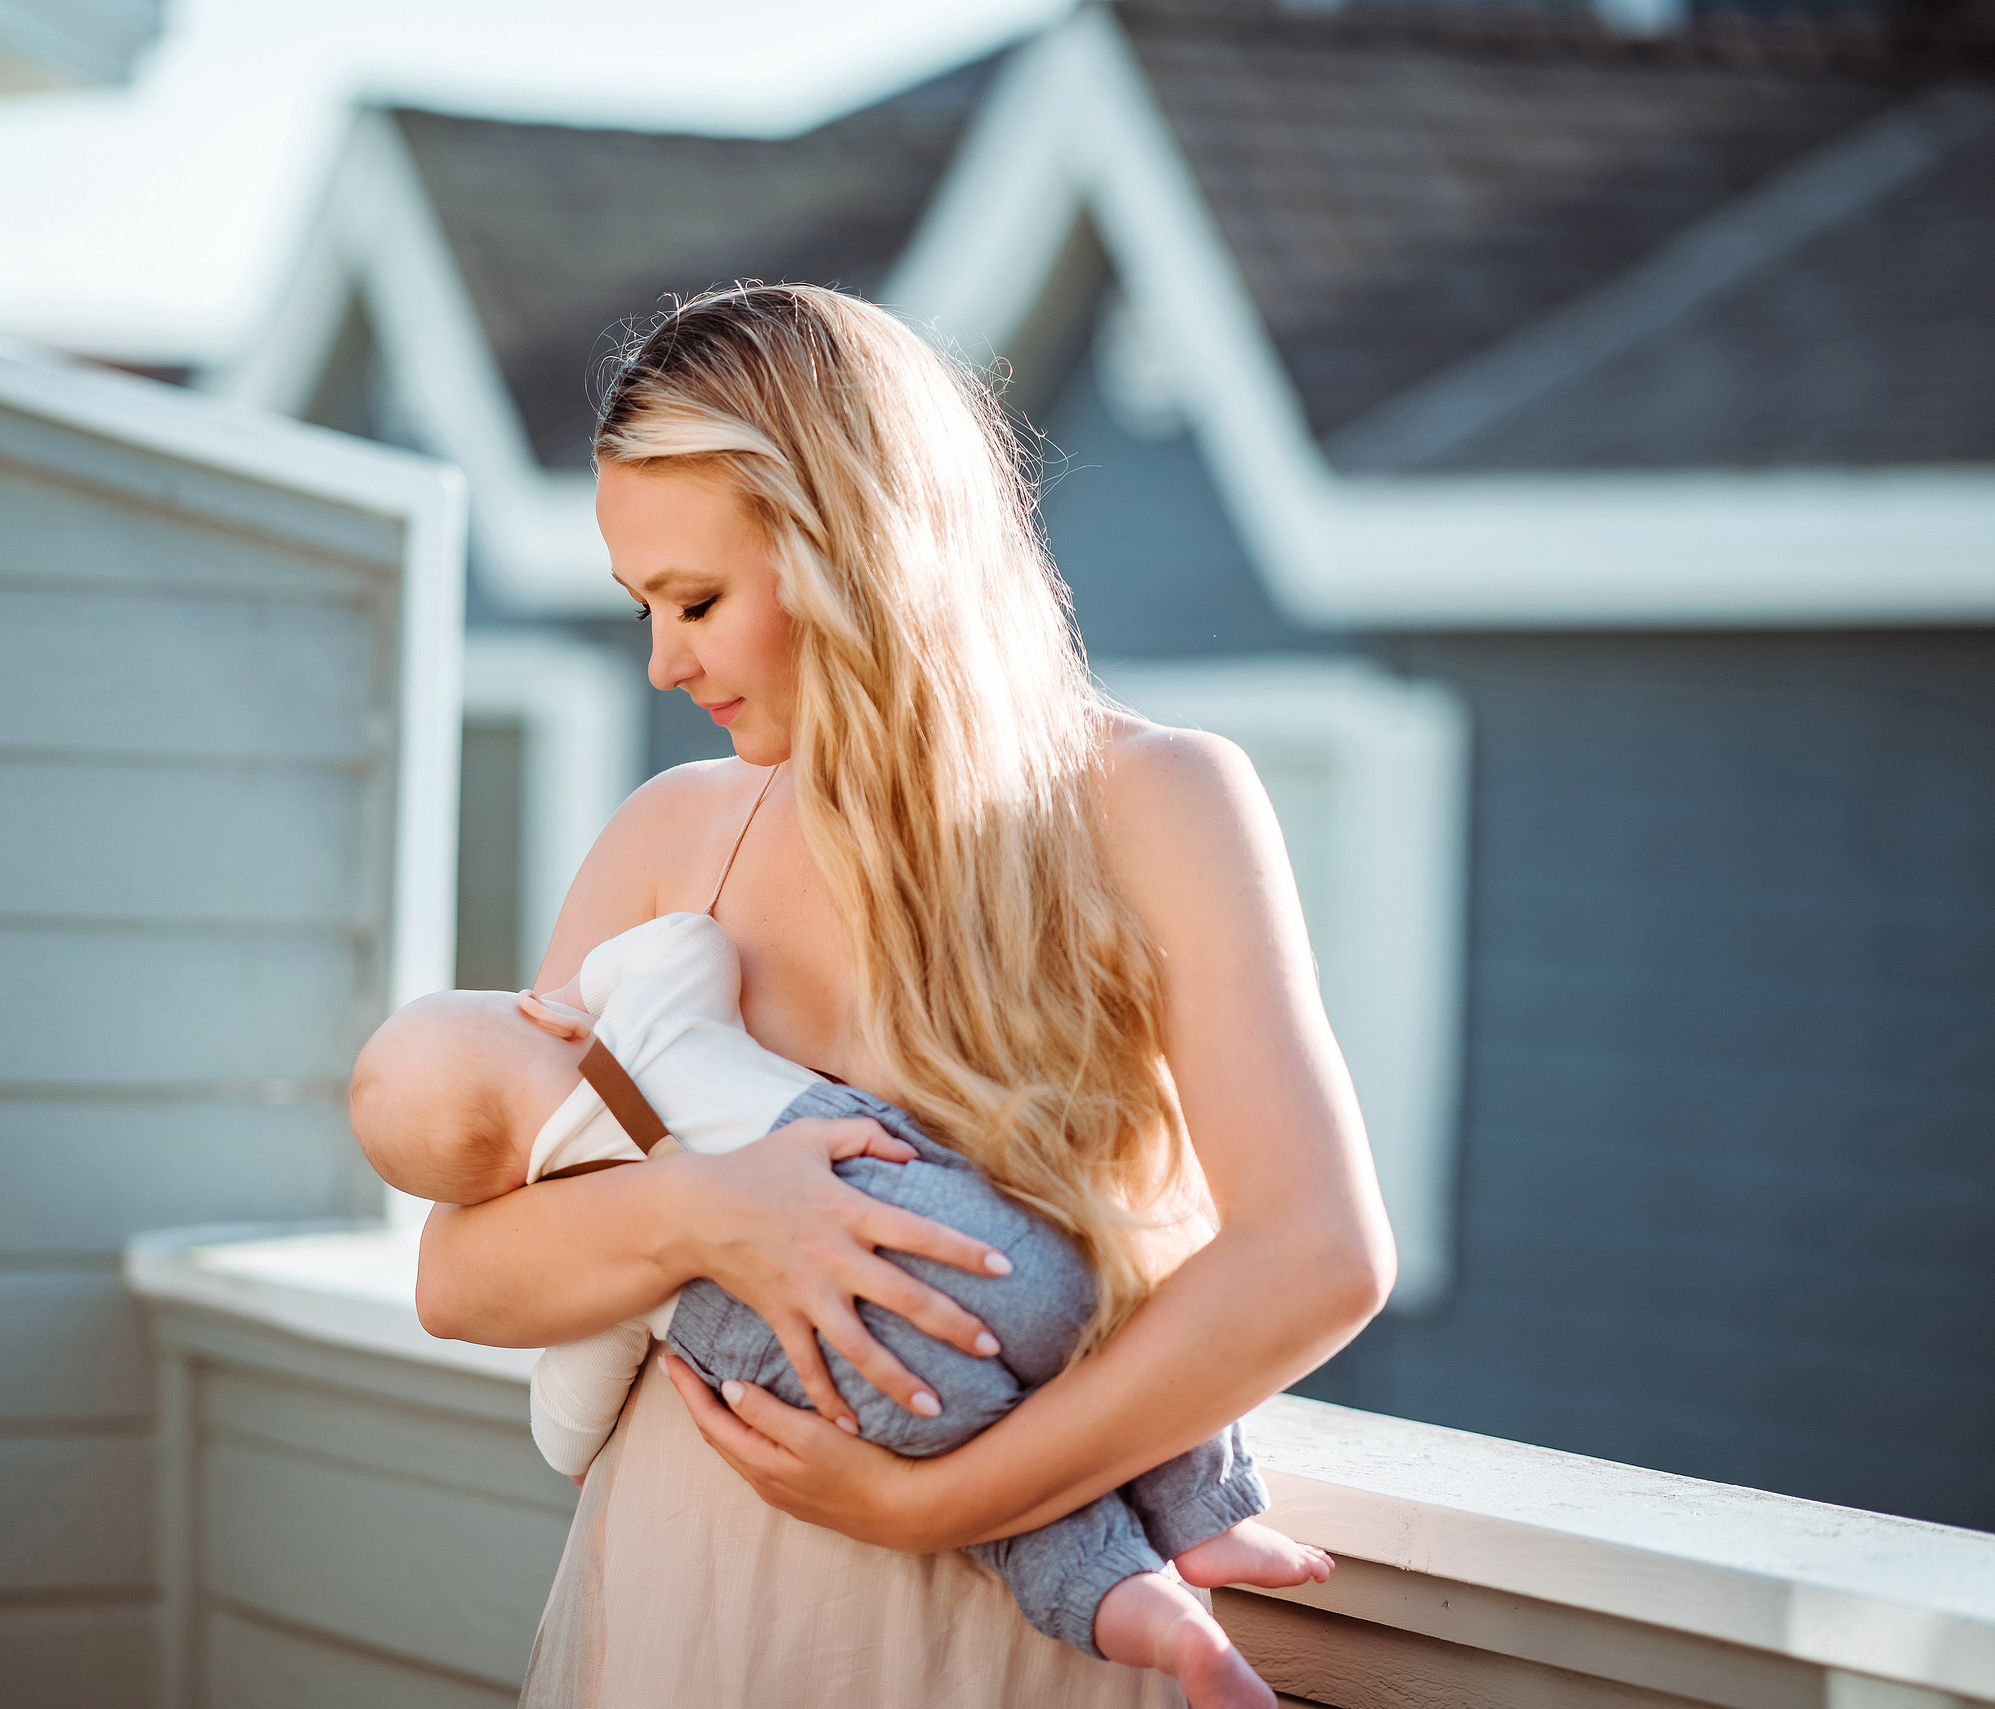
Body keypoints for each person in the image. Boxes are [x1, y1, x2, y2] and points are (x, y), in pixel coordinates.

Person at [408, 283, 1396, 1707]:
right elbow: (460, 1273)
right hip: (689, 1599)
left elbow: (1315, 1253)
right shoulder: (669, 836)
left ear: (852, 551)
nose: (662, 660)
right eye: (644, 606)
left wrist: (942, 1506)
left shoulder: (1160, 804)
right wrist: (708, 1213)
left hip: (1014, 1624)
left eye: (697, 600)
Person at [351, 910, 1331, 1703]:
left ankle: (1171, 1631)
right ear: (544, 1019)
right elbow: (685, 942)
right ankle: (1208, 1511)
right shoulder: (654, 1029)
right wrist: (581, 997)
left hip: (870, 1384)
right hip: (964, 1244)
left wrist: (570, 1435)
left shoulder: (597, 1260)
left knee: (1032, 1534)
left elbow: (568, 1418)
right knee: (1114, 1320)